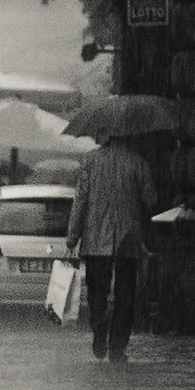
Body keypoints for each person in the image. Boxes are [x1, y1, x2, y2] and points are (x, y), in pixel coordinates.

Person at [64, 135, 164, 362]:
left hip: (96, 240)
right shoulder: (137, 161)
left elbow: (80, 200)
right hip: (128, 240)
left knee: (97, 292)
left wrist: (72, 236)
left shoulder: (90, 161)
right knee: (125, 295)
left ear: (103, 137)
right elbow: (151, 199)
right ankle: (117, 347)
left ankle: (100, 328)